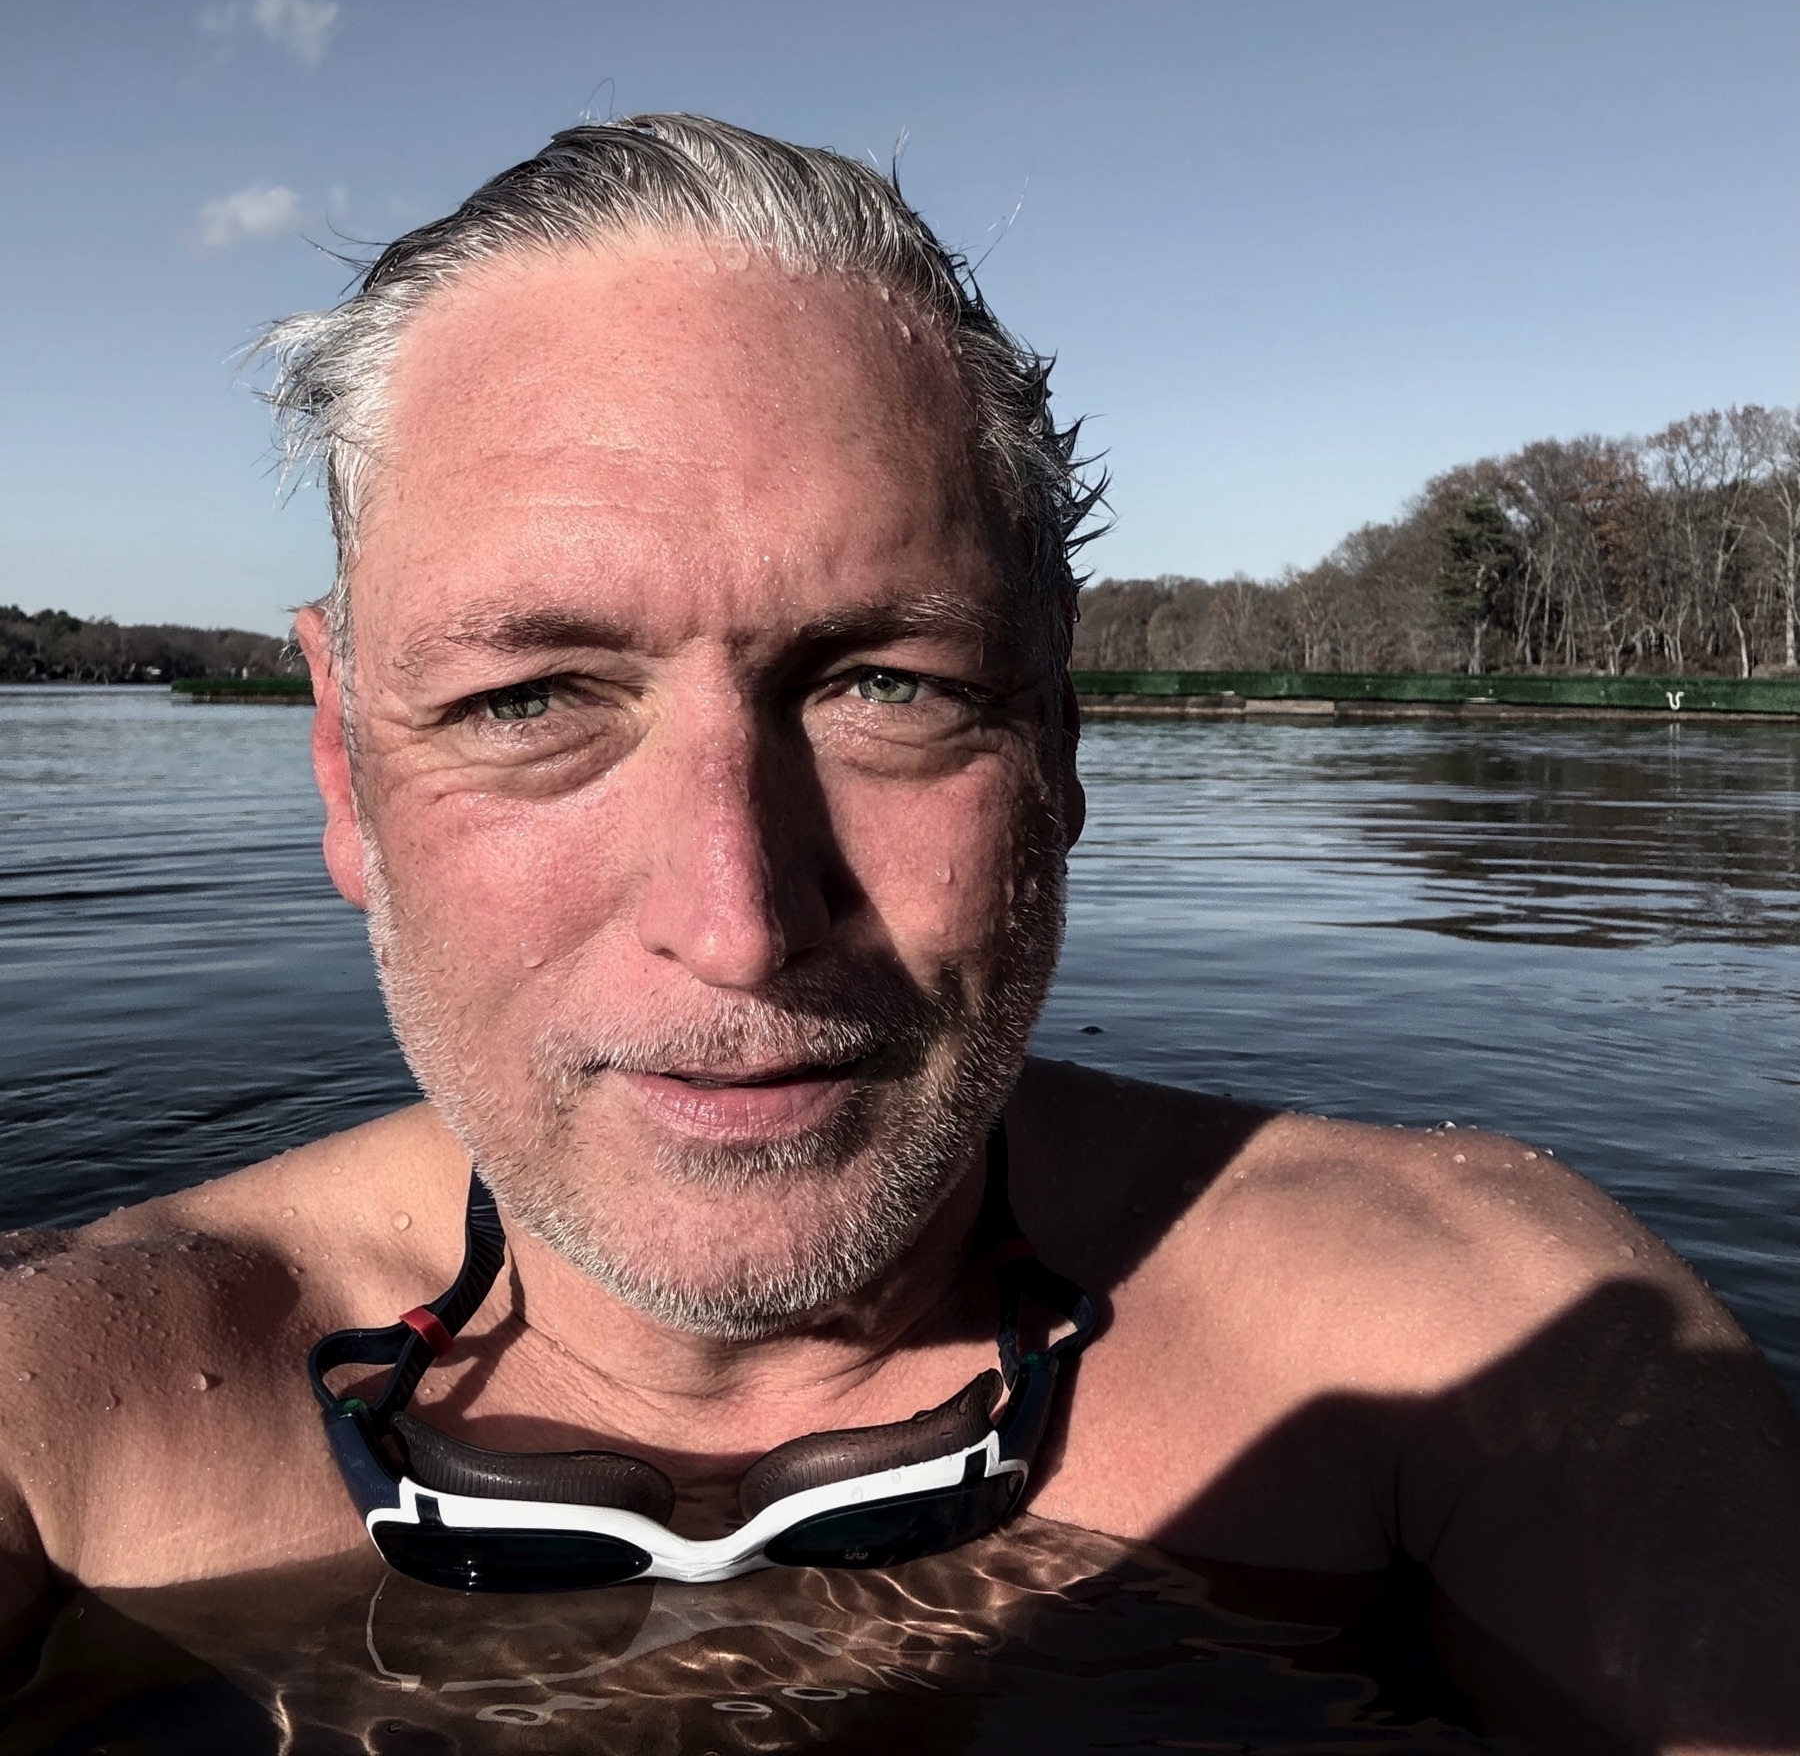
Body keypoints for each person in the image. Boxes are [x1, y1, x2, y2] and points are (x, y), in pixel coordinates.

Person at [0, 115, 1794, 1748]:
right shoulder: (70, 1418)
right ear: (342, 759)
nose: (740, 922)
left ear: (1062, 743)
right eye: (532, 698)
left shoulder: (1478, 1342)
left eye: (888, 685)